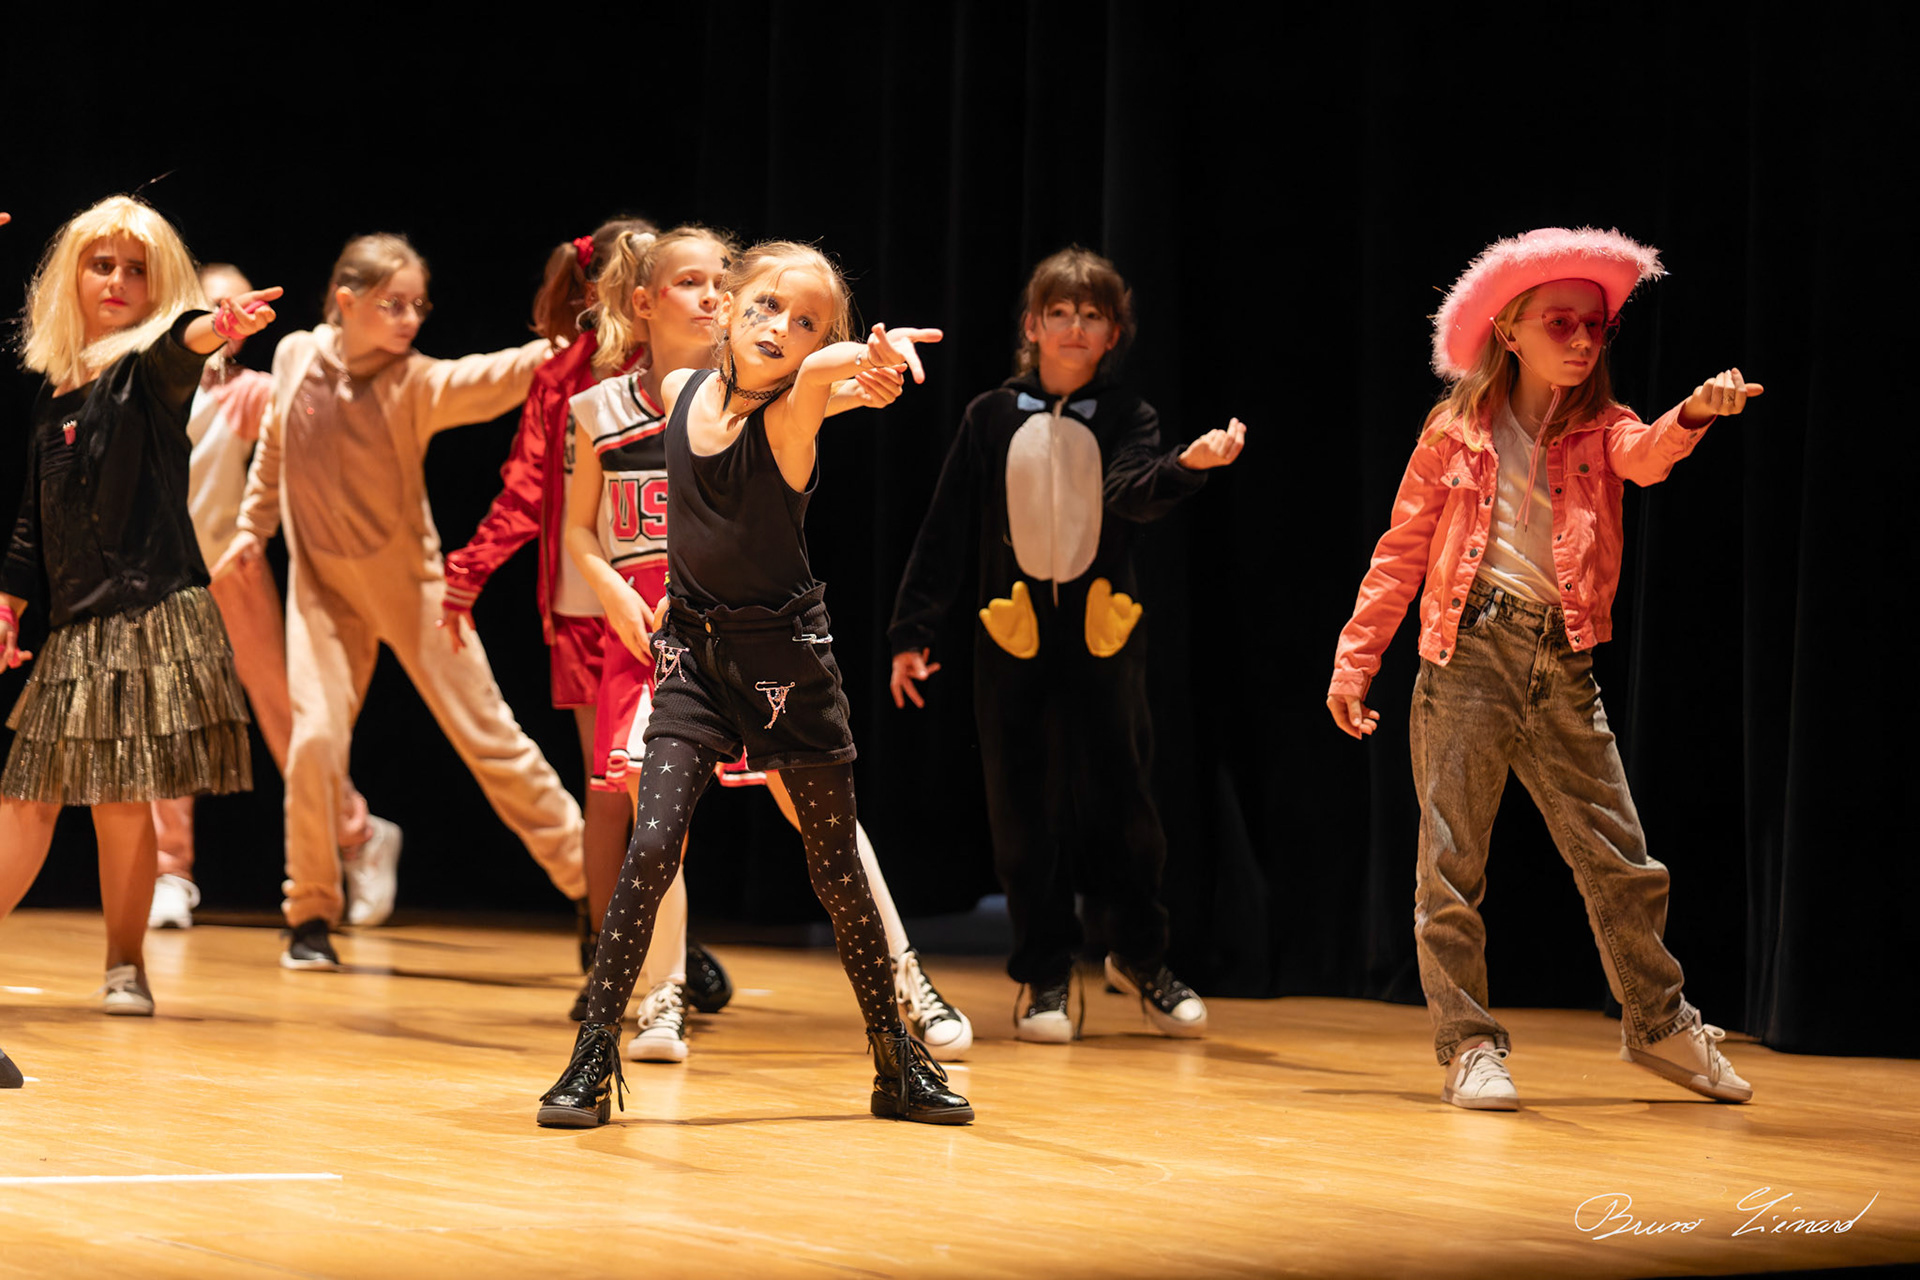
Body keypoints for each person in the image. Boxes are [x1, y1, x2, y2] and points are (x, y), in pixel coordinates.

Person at [536, 240, 971, 1128]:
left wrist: (870, 359)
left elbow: (825, 377)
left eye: (806, 322)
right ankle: (591, 1060)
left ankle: (897, 1061)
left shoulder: (796, 411)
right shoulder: (680, 390)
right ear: (727, 307)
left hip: (786, 665)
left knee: (835, 864)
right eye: (767, 305)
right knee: (651, 846)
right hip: (693, 659)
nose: (781, 327)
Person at [1326, 226, 1760, 1110]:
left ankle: (1660, 1023)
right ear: (1510, 332)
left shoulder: (1603, 429)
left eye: (1595, 326)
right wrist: (1355, 659)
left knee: (1622, 859)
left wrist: (1694, 414)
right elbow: (1401, 552)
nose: (1582, 339)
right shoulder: (1454, 432)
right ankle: (1469, 1044)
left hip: (1562, 663)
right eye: (1560, 323)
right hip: (1468, 655)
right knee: (1450, 868)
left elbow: (1647, 457)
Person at [888, 246, 1245, 1043]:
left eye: (1092, 315)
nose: (1074, 327)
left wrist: (1185, 465)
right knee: (1022, 810)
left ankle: (1139, 957)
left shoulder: (1127, 415)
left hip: (1102, 637)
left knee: (1124, 803)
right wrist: (912, 630)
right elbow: (945, 527)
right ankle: (1045, 972)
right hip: (1010, 638)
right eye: (1059, 313)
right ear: (1032, 326)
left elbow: (1131, 490)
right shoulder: (989, 415)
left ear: (1113, 333)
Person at [217, 233, 585, 970]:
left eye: (419, 305)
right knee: (314, 744)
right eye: (393, 304)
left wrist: (575, 344)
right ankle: (310, 912)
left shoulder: (413, 382)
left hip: (415, 593)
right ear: (345, 302)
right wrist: (252, 528)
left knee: (493, 741)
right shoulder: (295, 355)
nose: (411, 318)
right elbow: (276, 447)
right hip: (323, 593)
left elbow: (496, 374)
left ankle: (595, 884)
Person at [439, 220, 732, 1014]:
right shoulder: (580, 376)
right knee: (624, 787)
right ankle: (624, 957)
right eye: (678, 279)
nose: (701, 296)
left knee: (639, 786)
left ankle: (639, 951)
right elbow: (531, 484)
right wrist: (468, 572)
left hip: (653, 597)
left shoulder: (676, 365)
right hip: (598, 600)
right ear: (629, 292)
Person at [2, 195, 275, 1025]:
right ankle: (121, 963)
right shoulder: (56, 390)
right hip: (74, 623)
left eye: (135, 268)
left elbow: (184, 340)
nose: (117, 280)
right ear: (73, 277)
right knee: (26, 797)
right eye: (102, 265)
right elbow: (34, 514)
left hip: (143, 611)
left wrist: (217, 325)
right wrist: (10, 601)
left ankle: (126, 966)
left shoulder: (149, 368)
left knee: (120, 801)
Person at [147, 262, 399, 931]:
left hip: (231, 571)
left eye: (237, 307)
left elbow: (314, 417)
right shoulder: (151, 384)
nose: (226, 316)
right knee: (169, 722)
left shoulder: (248, 393)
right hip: (161, 580)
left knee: (285, 715)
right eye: (214, 303)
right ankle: (170, 870)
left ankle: (356, 834)